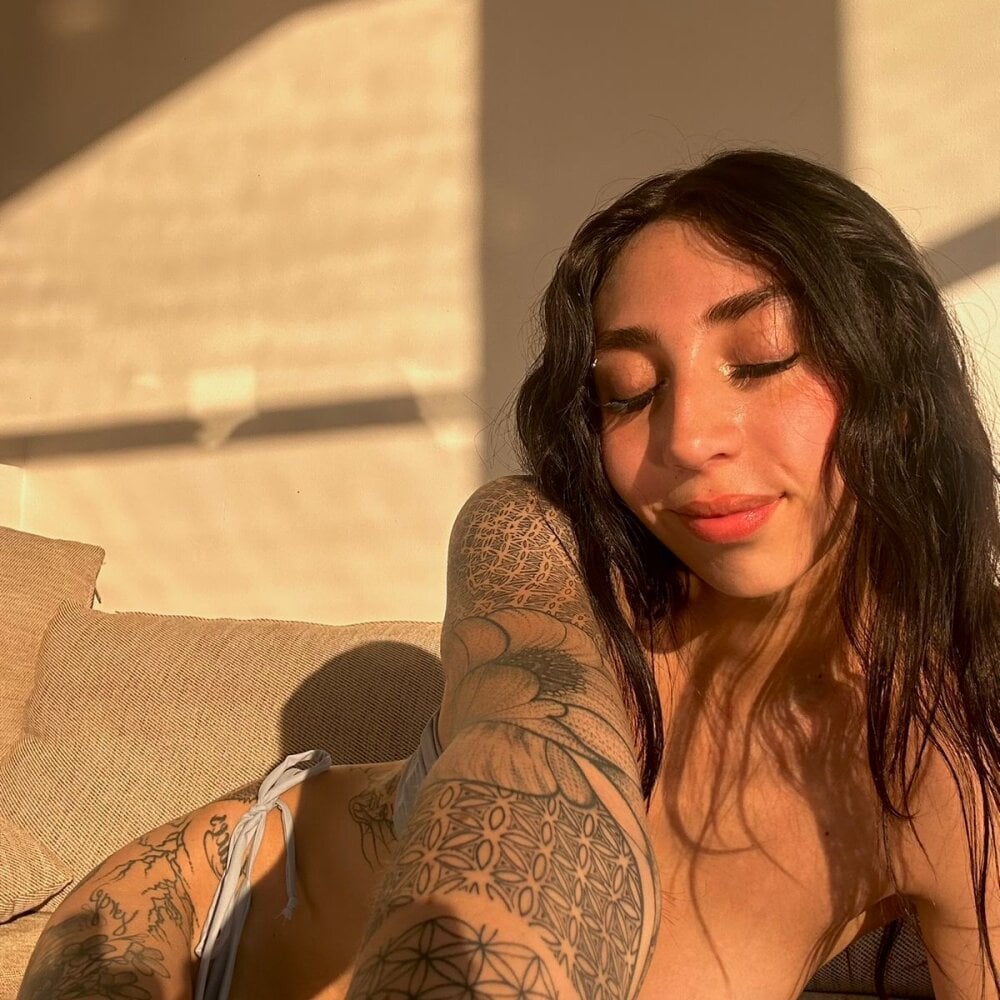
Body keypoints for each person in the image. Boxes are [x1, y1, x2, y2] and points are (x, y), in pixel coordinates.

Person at [18, 149, 999, 1000]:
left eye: (762, 356)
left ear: (895, 381)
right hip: (185, 911)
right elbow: (532, 771)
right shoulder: (544, 549)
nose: (686, 437)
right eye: (628, 391)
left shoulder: (941, 760)